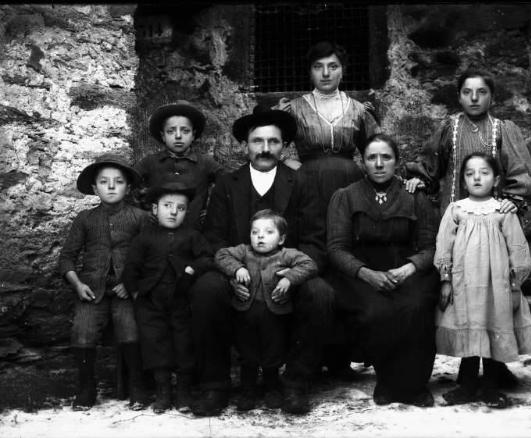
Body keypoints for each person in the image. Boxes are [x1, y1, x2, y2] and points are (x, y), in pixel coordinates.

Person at [405, 69, 531, 387]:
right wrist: (419, 177)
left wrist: (511, 201)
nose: (474, 98)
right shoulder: (449, 128)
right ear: (459, 96)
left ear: (492, 96)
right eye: (467, 92)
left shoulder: (502, 130)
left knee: (494, 299)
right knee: (464, 299)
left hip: (493, 226)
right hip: (458, 224)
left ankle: (497, 367)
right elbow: (430, 163)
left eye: (481, 92)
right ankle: (467, 368)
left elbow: (521, 174)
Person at [189, 105, 328, 416]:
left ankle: (295, 383)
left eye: (273, 142)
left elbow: (315, 241)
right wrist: (230, 274)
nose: (265, 149)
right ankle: (215, 385)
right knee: (205, 290)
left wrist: (291, 277)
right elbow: (213, 240)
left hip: (286, 273)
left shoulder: (301, 181)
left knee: (320, 294)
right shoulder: (227, 183)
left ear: (284, 146)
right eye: (257, 141)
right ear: (245, 145)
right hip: (237, 271)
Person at [277, 40, 381, 376]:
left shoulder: (358, 110)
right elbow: (273, 146)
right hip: (307, 190)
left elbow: (377, 150)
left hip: (349, 189)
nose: (326, 73)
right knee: (316, 259)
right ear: (310, 71)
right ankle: (314, 354)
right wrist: (297, 167)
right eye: (319, 67)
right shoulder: (292, 109)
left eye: (333, 66)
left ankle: (345, 355)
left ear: (343, 69)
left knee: (346, 260)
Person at [326, 134, 440, 407]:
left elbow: (430, 246)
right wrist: (367, 274)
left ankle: (415, 386)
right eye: (371, 158)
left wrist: (409, 268)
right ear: (362, 162)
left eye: (386, 157)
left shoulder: (415, 195)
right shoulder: (345, 196)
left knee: (415, 307)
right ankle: (387, 382)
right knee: (378, 311)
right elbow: (336, 248)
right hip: (362, 272)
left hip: (406, 269)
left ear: (397, 162)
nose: (379, 164)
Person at [434, 152, 531, 408]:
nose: (476, 178)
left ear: (495, 180)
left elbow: (518, 248)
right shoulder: (456, 210)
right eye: (470, 174)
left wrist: (515, 284)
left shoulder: (503, 211)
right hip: (464, 286)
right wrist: (446, 279)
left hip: (497, 286)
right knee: (469, 329)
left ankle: (491, 387)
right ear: (463, 180)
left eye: (483, 173)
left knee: (493, 328)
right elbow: (443, 246)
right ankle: (467, 386)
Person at [58, 153, 149, 411]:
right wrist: (77, 284)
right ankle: (86, 386)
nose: (111, 186)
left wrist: (133, 284)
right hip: (91, 289)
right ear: (94, 187)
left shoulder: (139, 218)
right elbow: (66, 258)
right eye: (104, 181)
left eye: (118, 181)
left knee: (130, 329)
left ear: (128, 187)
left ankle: (137, 386)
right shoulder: (85, 219)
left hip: (125, 290)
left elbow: (151, 256)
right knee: (82, 332)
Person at [122, 182, 214, 414]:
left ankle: (183, 391)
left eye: (180, 208)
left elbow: (207, 258)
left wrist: (193, 268)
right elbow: (131, 267)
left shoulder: (192, 235)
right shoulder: (144, 238)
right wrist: (135, 291)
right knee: (155, 343)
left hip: (181, 300)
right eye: (167, 206)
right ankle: (163, 391)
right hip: (151, 302)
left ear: (187, 212)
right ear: (155, 209)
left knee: (183, 344)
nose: (173, 212)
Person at [215, 209, 318, 411]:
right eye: (255, 232)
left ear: (282, 238)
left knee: (273, 351)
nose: (260, 236)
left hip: (275, 315)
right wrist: (237, 269)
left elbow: (310, 265)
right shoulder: (244, 252)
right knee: (247, 352)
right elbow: (221, 255)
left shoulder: (287, 254)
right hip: (245, 313)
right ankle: (248, 391)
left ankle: (273, 388)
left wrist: (290, 278)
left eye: (268, 232)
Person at [136, 100, 223, 227]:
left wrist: (212, 211)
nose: (178, 136)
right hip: (157, 233)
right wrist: (142, 213)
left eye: (185, 131)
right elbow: (127, 182)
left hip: (194, 231)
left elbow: (229, 183)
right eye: (171, 131)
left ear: (193, 135)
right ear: (163, 136)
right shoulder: (150, 162)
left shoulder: (206, 162)